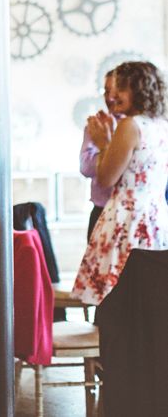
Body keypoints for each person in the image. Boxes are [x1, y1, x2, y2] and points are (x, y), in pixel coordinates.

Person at [72, 61, 168, 306]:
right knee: (148, 304)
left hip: (126, 221)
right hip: (156, 220)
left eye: (120, 88)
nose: (112, 96)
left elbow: (106, 178)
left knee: (119, 304)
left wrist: (104, 144)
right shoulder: (161, 125)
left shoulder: (130, 125)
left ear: (140, 89)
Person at [79, 69, 118, 241]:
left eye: (115, 91)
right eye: (106, 91)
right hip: (101, 209)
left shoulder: (142, 127)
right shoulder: (95, 125)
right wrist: (110, 151)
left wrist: (104, 150)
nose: (109, 97)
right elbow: (86, 167)